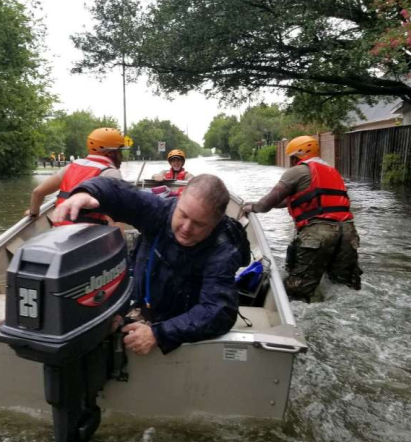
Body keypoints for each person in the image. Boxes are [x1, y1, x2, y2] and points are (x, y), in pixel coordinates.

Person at [52, 174, 251, 356]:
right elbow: (121, 193)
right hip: (141, 304)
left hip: (181, 324)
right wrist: (86, 192)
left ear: (215, 223)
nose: (186, 228)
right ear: (179, 201)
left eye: (199, 224)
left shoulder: (223, 250)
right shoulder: (160, 211)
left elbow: (218, 311)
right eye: (183, 215)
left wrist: (160, 333)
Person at [242, 135, 362, 301]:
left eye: (292, 157)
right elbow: (295, 200)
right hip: (347, 232)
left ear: (298, 155)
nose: (291, 161)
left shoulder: (297, 171)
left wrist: (252, 207)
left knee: (297, 289)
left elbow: (267, 203)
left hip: (319, 233)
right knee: (342, 285)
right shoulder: (332, 171)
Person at [25, 128, 127, 224]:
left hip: (59, 233)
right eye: (120, 151)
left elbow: (37, 192)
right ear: (110, 153)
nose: (121, 156)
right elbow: (116, 219)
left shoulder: (71, 167)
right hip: (91, 235)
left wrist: (33, 214)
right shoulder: (111, 173)